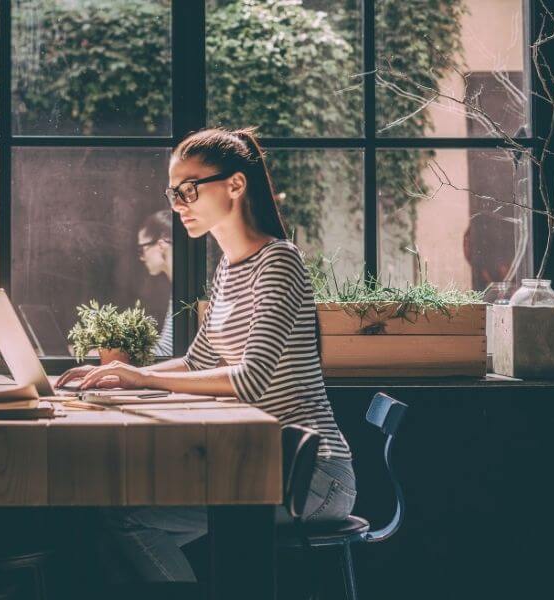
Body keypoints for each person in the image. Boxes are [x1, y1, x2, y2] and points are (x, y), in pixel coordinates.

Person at [55, 126, 355, 582]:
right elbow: (199, 362)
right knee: (118, 512)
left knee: (129, 518)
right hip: (262, 464)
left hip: (314, 477)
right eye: (174, 192)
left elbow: (250, 379)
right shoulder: (228, 270)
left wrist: (144, 380)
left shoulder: (280, 261)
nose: (178, 204)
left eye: (189, 190)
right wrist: (120, 373)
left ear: (235, 185)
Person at [138, 210, 173, 356]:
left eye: (142, 249)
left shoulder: (183, 292)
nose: (142, 258)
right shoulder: (178, 289)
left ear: (160, 245)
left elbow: (167, 352)